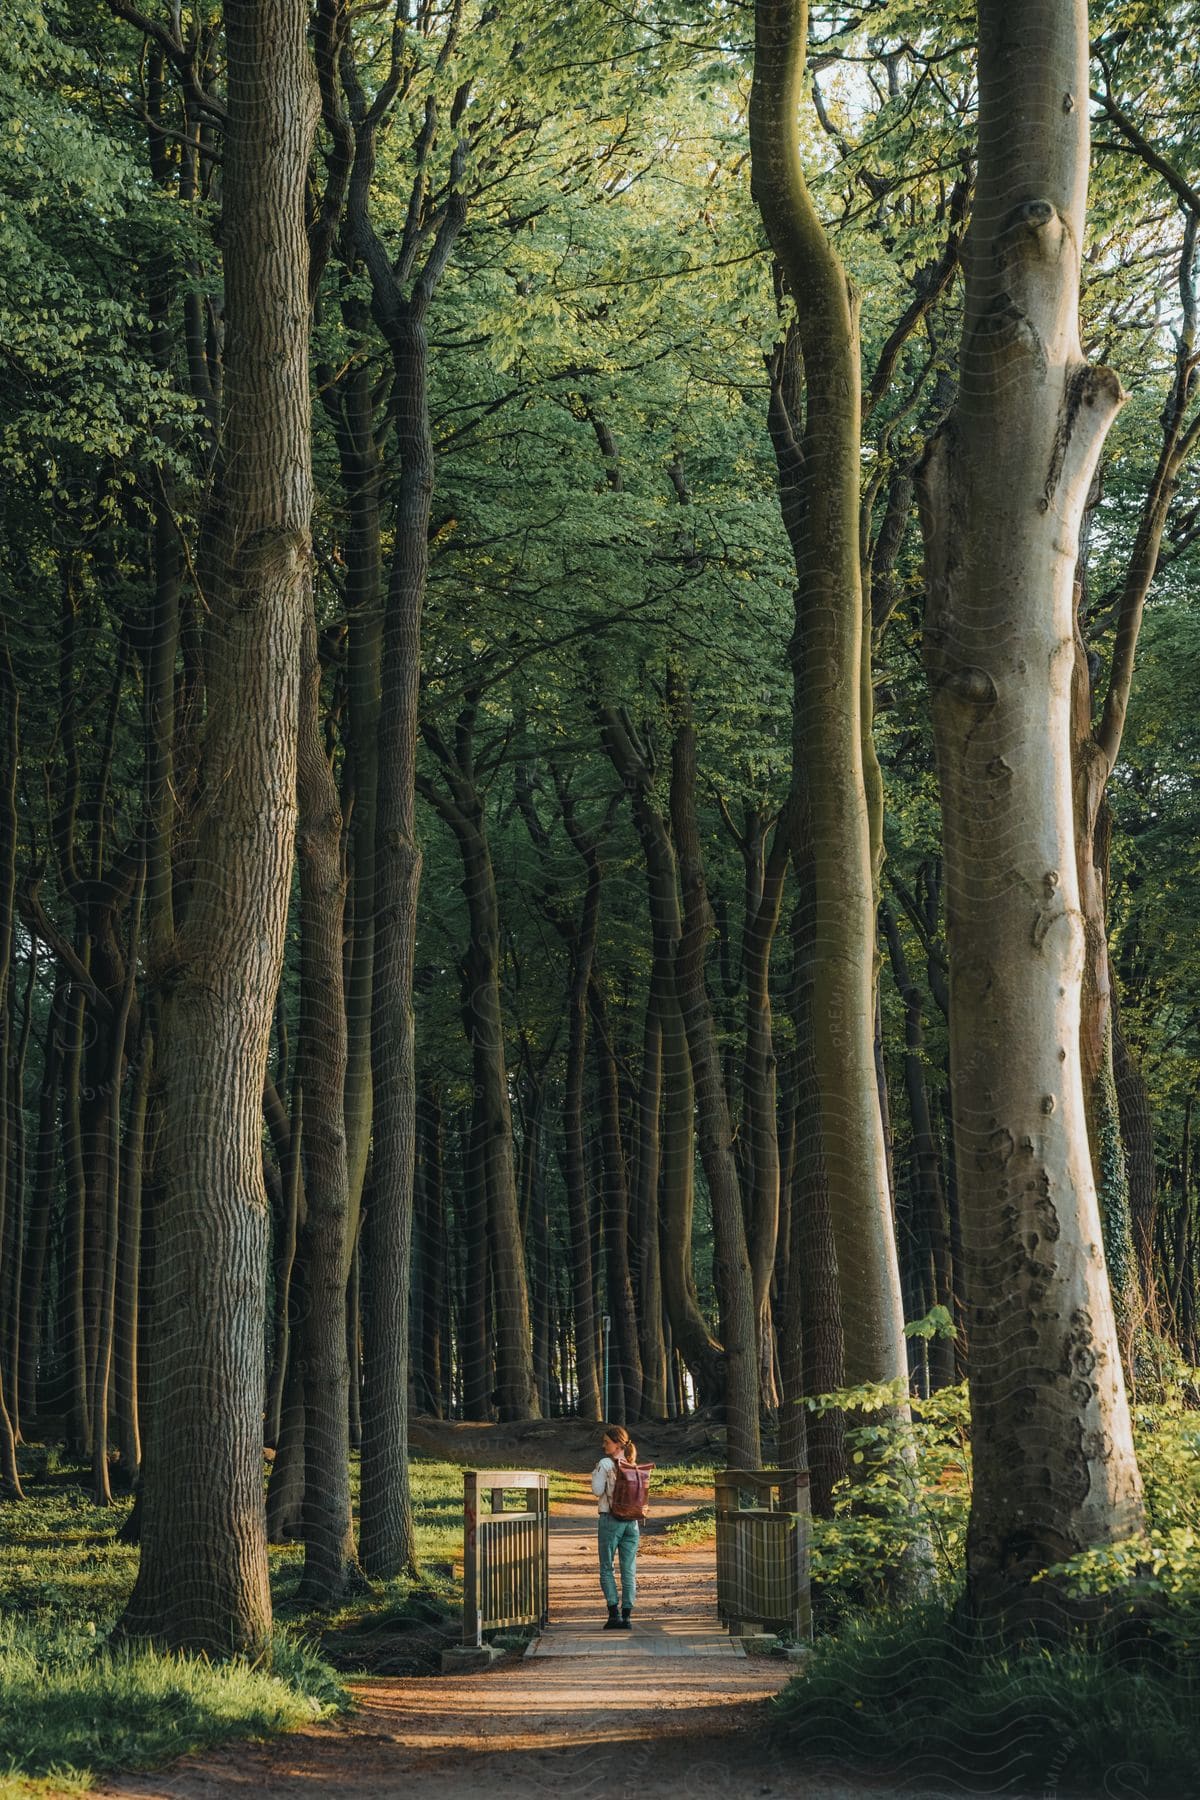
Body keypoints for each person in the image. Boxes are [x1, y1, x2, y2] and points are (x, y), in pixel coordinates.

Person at [591, 1424, 640, 1630]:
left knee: (607, 1567)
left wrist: (595, 1473)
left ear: (618, 1443)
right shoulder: (632, 1463)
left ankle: (614, 1615)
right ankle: (627, 1616)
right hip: (633, 1522)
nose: (604, 1446)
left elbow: (596, 1490)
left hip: (611, 1520)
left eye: (607, 1442)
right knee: (629, 1570)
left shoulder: (605, 1463)